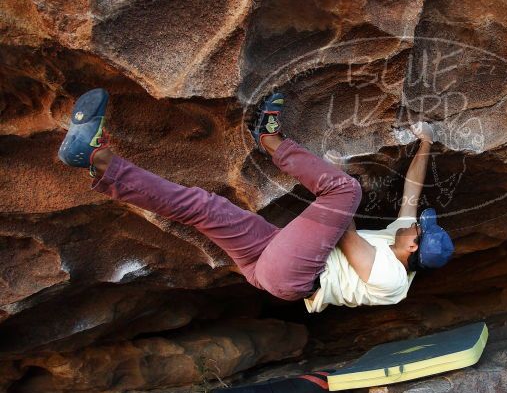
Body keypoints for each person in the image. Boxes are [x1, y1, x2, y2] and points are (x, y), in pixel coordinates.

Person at [57, 88, 454, 312]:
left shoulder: (393, 281)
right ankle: (97, 159)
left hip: (292, 276)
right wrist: (425, 143)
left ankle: (268, 137)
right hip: (269, 255)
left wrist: (335, 170)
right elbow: (410, 196)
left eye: (419, 229)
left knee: (345, 191)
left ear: (413, 247)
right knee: (202, 206)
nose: (415, 223)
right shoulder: (403, 240)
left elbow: (345, 236)